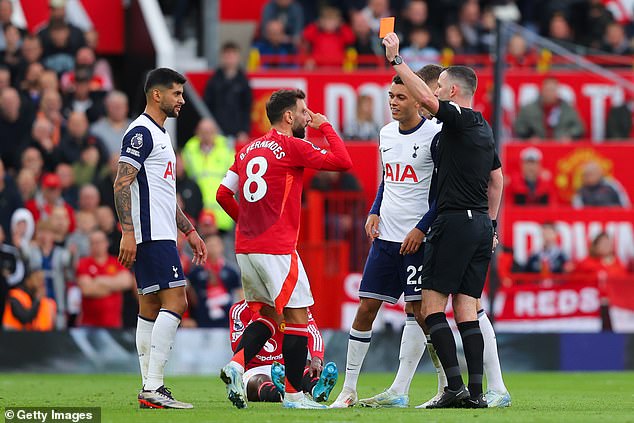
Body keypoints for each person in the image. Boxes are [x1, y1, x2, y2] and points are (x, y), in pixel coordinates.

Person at [383, 32, 504, 408]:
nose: (435, 91)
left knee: (430, 308)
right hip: (482, 224)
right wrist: (493, 225)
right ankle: (479, 393)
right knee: (467, 309)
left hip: (452, 222)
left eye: (439, 86)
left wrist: (395, 59)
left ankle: (453, 388)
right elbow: (497, 180)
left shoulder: (459, 120)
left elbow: (424, 98)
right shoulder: (483, 128)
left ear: (452, 90)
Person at [216, 88, 352, 409]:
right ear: (289, 117)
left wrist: (247, 225)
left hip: (245, 247)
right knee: (297, 316)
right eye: (304, 112)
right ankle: (294, 395)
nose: (308, 116)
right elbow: (343, 161)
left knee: (266, 315)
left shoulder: (247, 149)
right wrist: (324, 126)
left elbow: (223, 194)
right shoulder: (292, 145)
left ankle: (235, 365)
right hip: (276, 247)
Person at [331, 65, 443, 409]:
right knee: (366, 308)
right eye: (390, 97)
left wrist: (421, 228)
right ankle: (348, 390)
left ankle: (445, 386)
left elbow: (443, 193)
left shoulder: (436, 136)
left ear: (418, 100)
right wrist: (374, 209)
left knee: (421, 313)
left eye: (400, 97)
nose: (393, 103)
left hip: (418, 241)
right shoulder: (385, 134)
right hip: (385, 239)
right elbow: (386, 180)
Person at [113, 68, 207, 409]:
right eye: (177, 94)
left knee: (150, 307)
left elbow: (166, 195)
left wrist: (190, 229)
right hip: (151, 235)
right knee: (178, 302)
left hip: (162, 232)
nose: (181, 100)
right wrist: (128, 231)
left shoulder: (160, 133)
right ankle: (153, 387)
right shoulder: (140, 132)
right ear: (157, 95)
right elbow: (121, 183)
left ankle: (148, 388)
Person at [229, 299, 338, 403]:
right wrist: (264, 315)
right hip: (256, 368)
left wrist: (317, 358)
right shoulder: (239, 310)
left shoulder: (294, 306)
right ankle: (279, 393)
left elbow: (312, 331)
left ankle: (317, 389)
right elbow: (237, 347)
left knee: (306, 366)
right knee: (258, 381)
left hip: (286, 364)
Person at [181, 118, 234, 235]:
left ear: (215, 132)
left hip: (222, 216)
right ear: (197, 132)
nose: (206, 135)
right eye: (203, 132)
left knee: (221, 251)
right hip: (197, 215)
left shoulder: (227, 149)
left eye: (209, 131)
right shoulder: (189, 150)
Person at [76, 230, 134, 328]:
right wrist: (114, 286)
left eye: (99, 242)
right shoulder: (83, 263)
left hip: (114, 324)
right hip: (88, 325)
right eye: (93, 243)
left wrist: (99, 281)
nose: (97, 245)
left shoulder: (116, 261)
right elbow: (87, 290)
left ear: (106, 243)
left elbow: (127, 282)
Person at [203, 42, 252, 141]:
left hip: (238, 131)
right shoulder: (214, 80)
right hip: (217, 131)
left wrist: (244, 130)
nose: (230, 59)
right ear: (222, 57)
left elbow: (247, 108)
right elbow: (207, 106)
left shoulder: (243, 81)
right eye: (227, 55)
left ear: (238, 57)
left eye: (232, 55)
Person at [513, 77, 585, 141]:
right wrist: (529, 137)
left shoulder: (568, 109)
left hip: (560, 146)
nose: (549, 93)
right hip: (537, 146)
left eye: (552, 90)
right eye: (547, 90)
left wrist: (569, 136)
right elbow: (519, 126)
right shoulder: (528, 109)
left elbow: (579, 127)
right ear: (542, 90)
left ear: (557, 91)